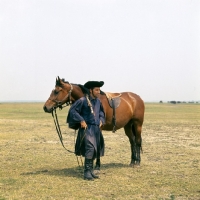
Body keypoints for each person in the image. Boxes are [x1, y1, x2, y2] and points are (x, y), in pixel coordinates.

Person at [66, 81, 105, 180]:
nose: (98, 92)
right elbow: (72, 111)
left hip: (96, 128)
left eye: (99, 90)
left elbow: (101, 112)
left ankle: (91, 171)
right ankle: (86, 172)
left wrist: (101, 119)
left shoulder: (98, 101)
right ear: (90, 90)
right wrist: (81, 120)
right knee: (90, 148)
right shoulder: (82, 100)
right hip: (87, 129)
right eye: (96, 90)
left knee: (95, 149)